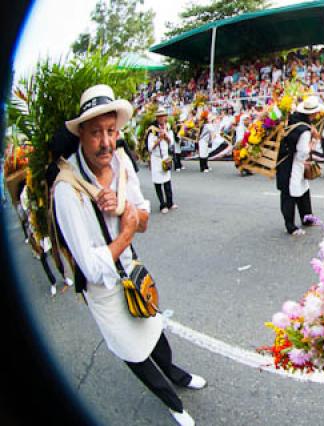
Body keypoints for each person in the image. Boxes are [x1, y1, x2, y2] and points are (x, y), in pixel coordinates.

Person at [55, 84, 205, 426]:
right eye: (96, 133)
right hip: (104, 290)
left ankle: (177, 375)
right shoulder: (66, 190)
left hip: (131, 269)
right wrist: (127, 229)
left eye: (111, 131)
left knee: (153, 327)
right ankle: (174, 405)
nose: (106, 142)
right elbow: (92, 268)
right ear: (81, 135)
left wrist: (123, 207)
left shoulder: (121, 160)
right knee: (133, 351)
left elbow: (144, 218)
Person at [276, 96, 324, 236]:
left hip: (288, 162)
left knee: (302, 189)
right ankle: (291, 226)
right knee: (291, 193)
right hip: (294, 164)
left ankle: (307, 217)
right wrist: (313, 142)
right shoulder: (304, 130)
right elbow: (303, 152)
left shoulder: (292, 120)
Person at [147, 108, 178, 213]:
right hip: (156, 158)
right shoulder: (152, 130)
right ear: (157, 118)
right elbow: (150, 148)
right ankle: (162, 204)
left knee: (167, 180)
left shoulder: (168, 127)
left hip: (165, 157)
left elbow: (171, 142)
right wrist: (159, 138)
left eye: (164, 116)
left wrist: (166, 137)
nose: (162, 118)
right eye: (160, 116)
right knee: (158, 182)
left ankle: (170, 202)